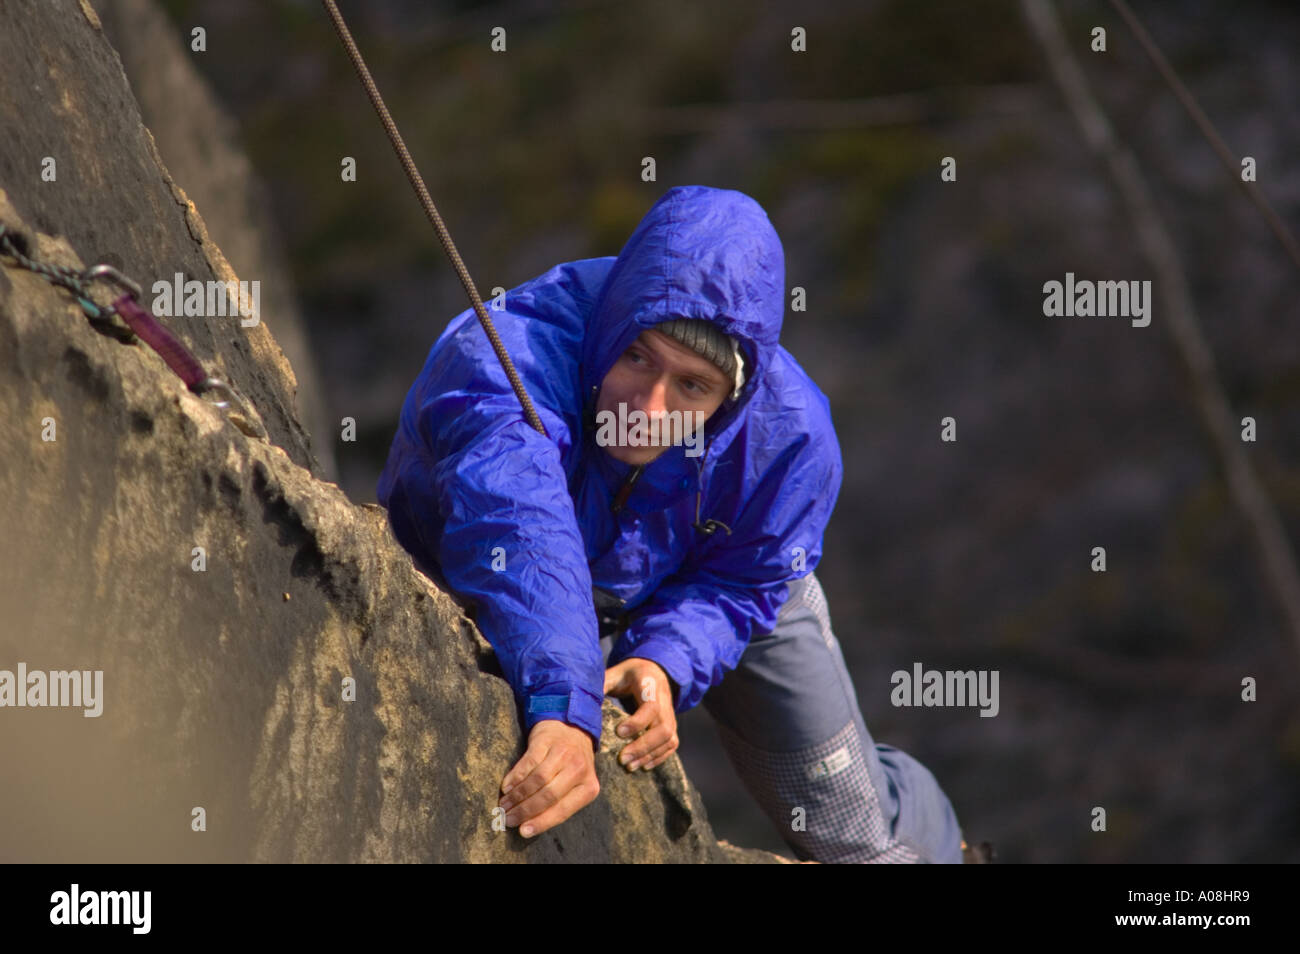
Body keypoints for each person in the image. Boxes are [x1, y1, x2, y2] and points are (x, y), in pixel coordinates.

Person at [377, 184, 965, 862]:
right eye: (637, 358)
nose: (649, 406)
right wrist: (565, 710)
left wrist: (665, 658)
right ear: (612, 325)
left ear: (734, 396)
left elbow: (745, 582)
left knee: (858, 838)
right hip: (520, 568)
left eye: (692, 386)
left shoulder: (789, 438)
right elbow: (518, 526)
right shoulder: (508, 354)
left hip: (704, 581)